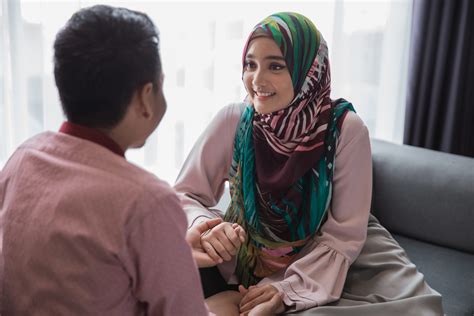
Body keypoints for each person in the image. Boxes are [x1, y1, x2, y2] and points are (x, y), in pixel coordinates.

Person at [175, 12, 444, 315]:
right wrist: (206, 226)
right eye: (250, 64)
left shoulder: (345, 131)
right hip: (235, 262)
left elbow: (343, 236)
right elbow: (185, 194)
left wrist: (285, 289)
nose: (257, 80)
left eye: (275, 66)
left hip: (314, 265)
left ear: (309, 69)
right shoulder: (234, 120)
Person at [0, 5, 211, 315]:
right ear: (145, 97)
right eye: (161, 85)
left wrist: (173, 254)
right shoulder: (146, 200)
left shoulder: (23, 159)